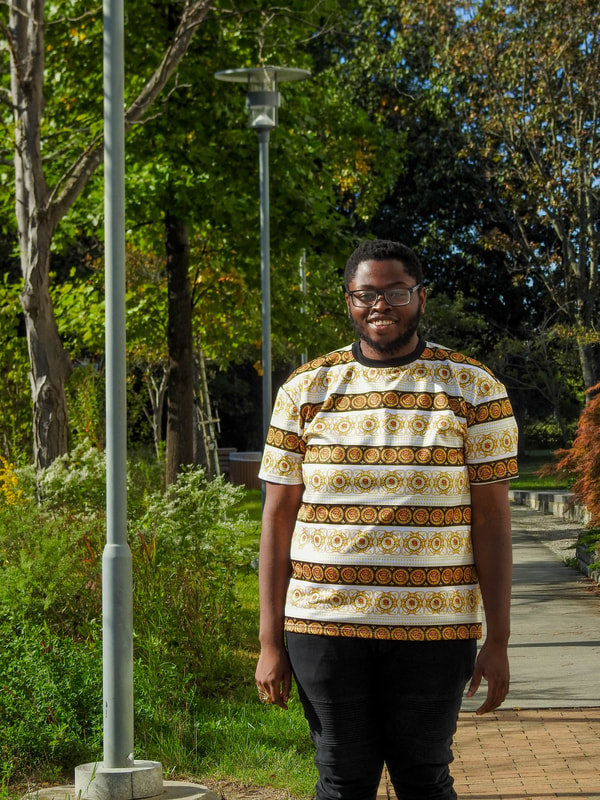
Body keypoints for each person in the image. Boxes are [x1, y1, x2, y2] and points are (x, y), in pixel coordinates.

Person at [255, 239, 517, 800]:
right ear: (348, 301)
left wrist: (499, 638)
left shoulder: (473, 388)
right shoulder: (307, 390)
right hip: (324, 625)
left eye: (395, 292)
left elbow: (493, 523)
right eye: (365, 294)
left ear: (421, 297)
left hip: (436, 627)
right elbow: (277, 521)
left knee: (424, 779)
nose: (380, 305)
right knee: (343, 780)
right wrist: (268, 642)